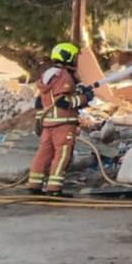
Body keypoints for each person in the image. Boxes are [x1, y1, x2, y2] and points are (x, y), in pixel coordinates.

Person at [28, 42, 91, 196]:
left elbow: (39, 101)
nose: (76, 60)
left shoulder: (48, 74)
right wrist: (85, 97)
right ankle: (54, 189)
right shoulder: (64, 76)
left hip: (48, 124)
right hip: (63, 124)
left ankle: (34, 185)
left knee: (43, 154)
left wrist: (39, 122)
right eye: (74, 57)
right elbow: (63, 101)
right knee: (62, 156)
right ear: (67, 56)